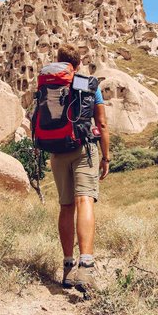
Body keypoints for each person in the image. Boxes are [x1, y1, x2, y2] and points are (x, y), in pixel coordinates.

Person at [48, 44, 110, 293]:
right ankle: (85, 265)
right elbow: (102, 124)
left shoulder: (49, 85)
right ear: (79, 63)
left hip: (56, 151)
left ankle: (67, 266)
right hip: (83, 147)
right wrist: (106, 157)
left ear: (59, 62)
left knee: (65, 206)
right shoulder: (87, 84)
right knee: (84, 201)